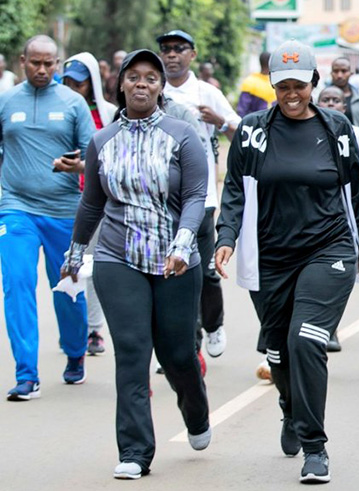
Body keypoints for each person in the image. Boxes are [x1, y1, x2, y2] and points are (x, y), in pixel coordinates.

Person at [215, 39, 359, 484]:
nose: (291, 93)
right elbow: (233, 190)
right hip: (270, 257)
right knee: (278, 350)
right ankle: (290, 407)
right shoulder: (252, 130)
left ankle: (315, 447)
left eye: (299, 84)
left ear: (314, 82)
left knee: (306, 340)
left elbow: (357, 192)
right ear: (272, 85)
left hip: (328, 250)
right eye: (282, 85)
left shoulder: (337, 128)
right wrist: (225, 237)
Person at [61, 49, 211, 479]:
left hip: (174, 260)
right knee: (131, 351)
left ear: (161, 87)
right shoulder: (102, 140)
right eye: (134, 77)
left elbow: (197, 196)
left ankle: (196, 413)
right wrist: (75, 253)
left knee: (178, 353)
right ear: (121, 85)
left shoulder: (182, 134)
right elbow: (91, 204)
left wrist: (183, 244)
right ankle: (134, 451)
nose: (142, 84)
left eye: (151, 78)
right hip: (117, 255)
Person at [0, 35, 95, 401]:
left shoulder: (73, 104)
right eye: (35, 62)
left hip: (63, 211)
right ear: (23, 61)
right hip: (16, 207)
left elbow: (95, 159)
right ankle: (27, 374)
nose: (42, 69)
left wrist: (78, 166)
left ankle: (75, 351)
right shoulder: (7, 101)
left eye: (49, 63)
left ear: (58, 64)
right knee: (17, 283)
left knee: (68, 288)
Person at [157, 29, 240, 361]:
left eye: (179, 48)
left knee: (205, 272)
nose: (172, 54)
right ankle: (186, 346)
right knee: (172, 273)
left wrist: (219, 121)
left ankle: (214, 324)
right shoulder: (154, 91)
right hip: (162, 201)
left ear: (192, 54)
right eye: (166, 49)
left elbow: (241, 135)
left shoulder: (207, 92)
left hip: (201, 198)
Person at [62, 52, 118, 356]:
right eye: (68, 82)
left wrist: (83, 167)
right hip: (61, 199)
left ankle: (95, 329)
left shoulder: (108, 114)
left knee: (91, 265)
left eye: (79, 84)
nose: (73, 88)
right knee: (67, 266)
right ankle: (72, 330)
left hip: (95, 200)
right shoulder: (57, 110)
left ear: (91, 83)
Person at [237, 52, 276, 117]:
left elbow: (242, 109)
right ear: (271, 63)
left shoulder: (249, 81)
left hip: (253, 123)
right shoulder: (276, 83)